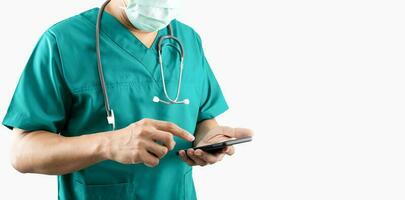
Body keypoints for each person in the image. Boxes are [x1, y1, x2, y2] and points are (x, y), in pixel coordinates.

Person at [2, 0, 253, 199]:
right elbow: (23, 152)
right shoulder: (62, 41)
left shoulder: (188, 40)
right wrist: (108, 144)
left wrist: (209, 139)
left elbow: (203, 117)